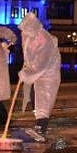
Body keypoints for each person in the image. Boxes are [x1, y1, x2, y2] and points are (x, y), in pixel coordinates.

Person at [17, 12, 61, 142]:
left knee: (44, 101)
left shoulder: (45, 40)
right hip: (38, 74)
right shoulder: (30, 36)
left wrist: (27, 74)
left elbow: (42, 63)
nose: (25, 33)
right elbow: (28, 53)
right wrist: (27, 67)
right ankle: (39, 127)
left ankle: (41, 129)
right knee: (37, 100)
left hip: (49, 73)